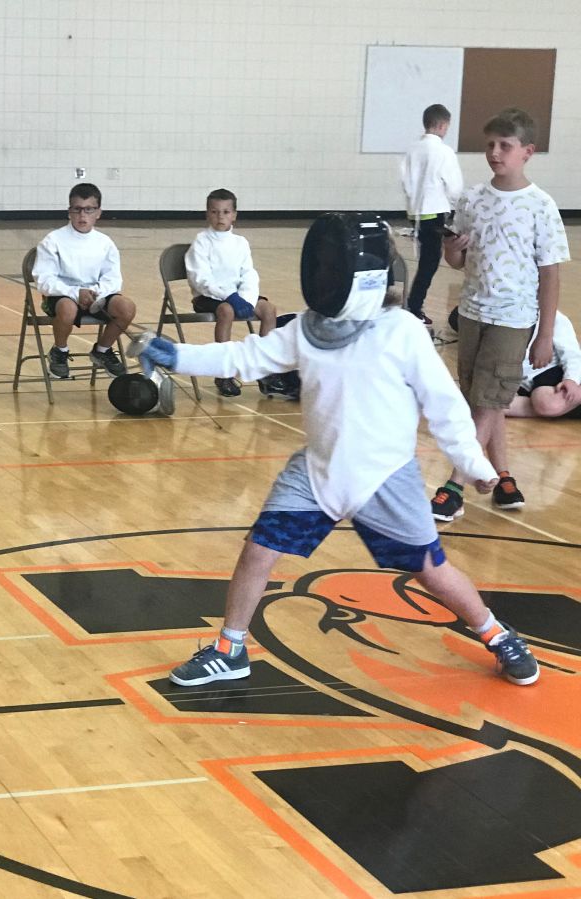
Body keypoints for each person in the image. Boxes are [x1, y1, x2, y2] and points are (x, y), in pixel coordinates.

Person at [135, 212, 540, 689]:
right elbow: (243, 356)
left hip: (385, 480)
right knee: (258, 551)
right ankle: (230, 649)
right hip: (318, 474)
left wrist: (473, 463)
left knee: (430, 570)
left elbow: (445, 406)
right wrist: (178, 355)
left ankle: (496, 634)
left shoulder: (402, 332)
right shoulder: (308, 329)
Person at [430, 108, 570, 521]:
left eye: (504, 146)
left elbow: (550, 276)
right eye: (490, 144)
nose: (494, 152)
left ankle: (455, 483)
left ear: (527, 152)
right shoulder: (472, 199)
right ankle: (504, 477)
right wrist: (452, 252)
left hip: (514, 319)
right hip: (472, 313)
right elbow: (458, 260)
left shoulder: (540, 206)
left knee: (488, 401)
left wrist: (544, 335)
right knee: (484, 400)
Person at [33, 183, 137, 379]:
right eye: (77, 209)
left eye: (89, 209)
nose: (82, 215)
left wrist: (97, 293)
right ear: (69, 212)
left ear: (98, 213)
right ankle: (60, 351)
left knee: (126, 308)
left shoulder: (105, 243)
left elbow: (113, 278)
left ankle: (103, 350)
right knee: (68, 308)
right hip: (62, 297)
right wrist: (75, 293)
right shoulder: (53, 240)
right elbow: (44, 279)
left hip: (97, 297)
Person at [185, 189, 279, 397]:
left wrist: (245, 298)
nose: (220, 217)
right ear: (207, 214)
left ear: (234, 215)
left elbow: (249, 274)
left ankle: (264, 367)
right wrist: (230, 296)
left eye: (226, 212)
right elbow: (201, 279)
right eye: (215, 212)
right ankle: (224, 371)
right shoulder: (201, 241)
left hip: (239, 295)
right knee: (227, 311)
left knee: (269, 310)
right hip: (209, 296)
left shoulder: (240, 243)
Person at [399, 103, 464, 325]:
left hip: (415, 212)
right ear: (443, 125)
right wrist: (458, 206)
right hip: (433, 212)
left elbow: (405, 181)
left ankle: (413, 305)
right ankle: (414, 307)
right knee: (429, 263)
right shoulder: (444, 152)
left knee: (427, 261)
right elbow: (454, 186)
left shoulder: (412, 149)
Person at [505, 310, 581, 420]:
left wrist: (571, 379)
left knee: (545, 401)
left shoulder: (552, 318)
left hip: (551, 370)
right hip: (522, 382)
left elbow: (571, 354)